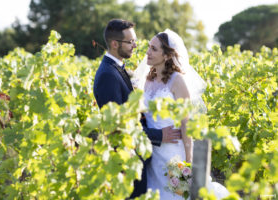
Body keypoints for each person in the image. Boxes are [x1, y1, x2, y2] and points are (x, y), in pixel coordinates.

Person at [134, 29, 229, 199]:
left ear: (166, 56)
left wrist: (189, 160)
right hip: (153, 152)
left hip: (173, 153)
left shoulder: (177, 81)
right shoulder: (148, 79)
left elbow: (186, 123)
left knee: (178, 195)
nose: (148, 52)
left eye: (154, 49)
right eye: (149, 47)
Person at [93, 19, 182, 198]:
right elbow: (119, 127)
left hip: (165, 154)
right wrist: (160, 135)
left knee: (178, 193)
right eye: (130, 42)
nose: (136, 46)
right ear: (114, 44)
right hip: (129, 161)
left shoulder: (118, 69)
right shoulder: (108, 76)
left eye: (135, 41)